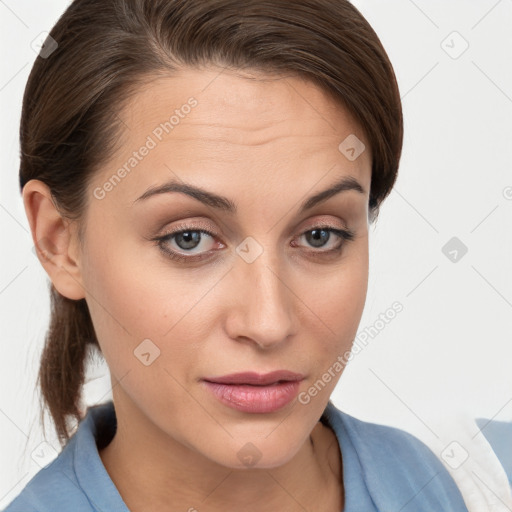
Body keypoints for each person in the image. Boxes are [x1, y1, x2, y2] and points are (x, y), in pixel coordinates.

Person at [3, 0, 471, 510]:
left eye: (319, 236)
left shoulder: (488, 483)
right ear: (59, 242)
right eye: (190, 239)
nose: (268, 323)